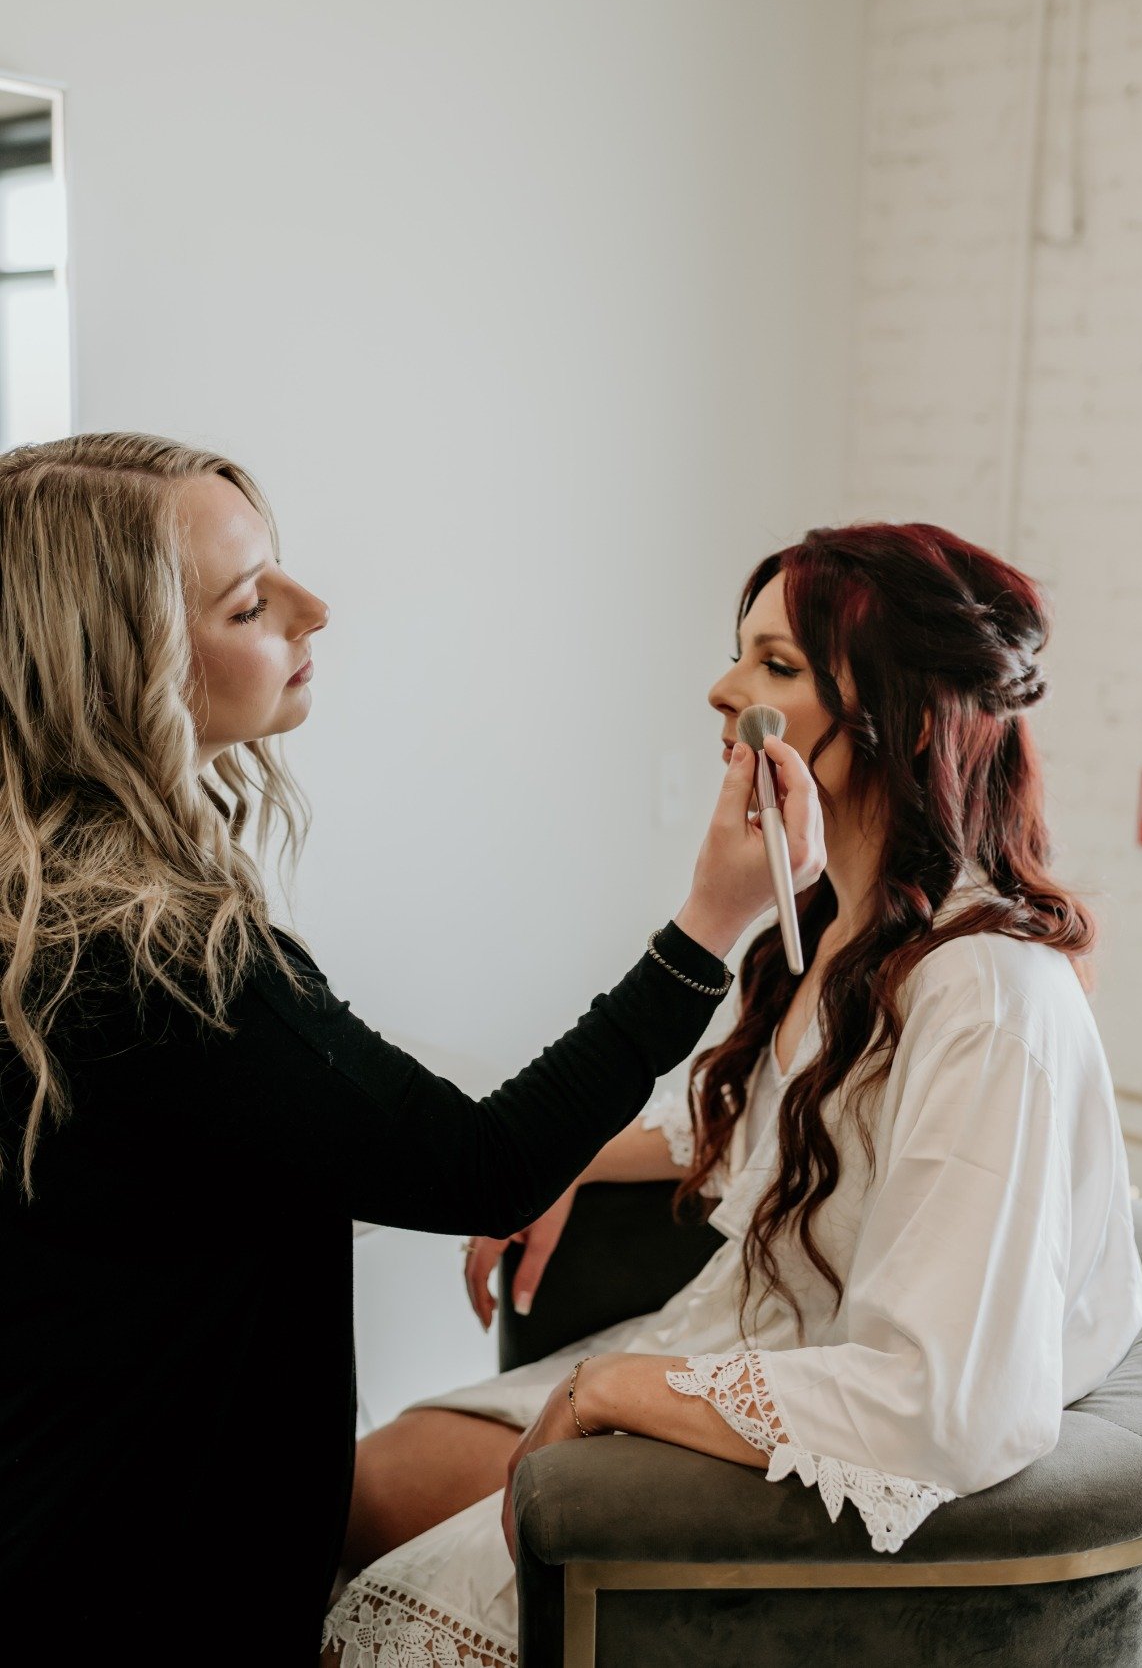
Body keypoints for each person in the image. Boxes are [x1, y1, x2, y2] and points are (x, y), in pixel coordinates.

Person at [0, 432, 824, 1660]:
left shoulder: (42, 918)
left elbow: (192, 1178)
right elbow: (474, 1163)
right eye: (251, 600)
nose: (314, 607)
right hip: (132, 1575)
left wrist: (585, 1164)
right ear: (124, 669)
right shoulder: (174, 969)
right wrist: (710, 921)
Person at [323, 521, 1142, 1668]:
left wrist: (613, 1389)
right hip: (731, 1331)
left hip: (810, 1410)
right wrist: (554, 1162)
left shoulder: (988, 995)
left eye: (776, 666)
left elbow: (947, 1401)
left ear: (902, 716)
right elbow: (755, 1127)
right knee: (345, 1489)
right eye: (737, 653)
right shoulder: (840, 930)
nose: (722, 691)